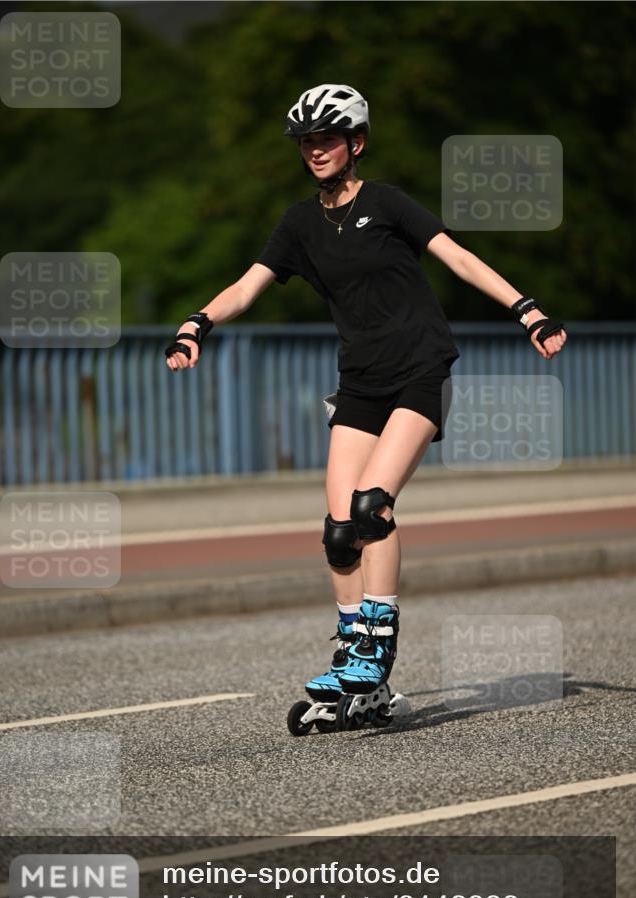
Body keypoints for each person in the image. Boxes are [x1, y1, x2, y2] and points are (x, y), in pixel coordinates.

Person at [165, 84, 567, 716]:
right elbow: (248, 286)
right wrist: (197, 324)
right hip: (360, 383)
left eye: (327, 138)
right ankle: (360, 666)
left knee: (371, 506)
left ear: (356, 143)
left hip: (419, 371)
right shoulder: (300, 223)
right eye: (306, 141)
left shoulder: (389, 204)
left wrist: (528, 311)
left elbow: (457, 258)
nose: (315, 150)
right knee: (337, 533)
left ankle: (378, 642)